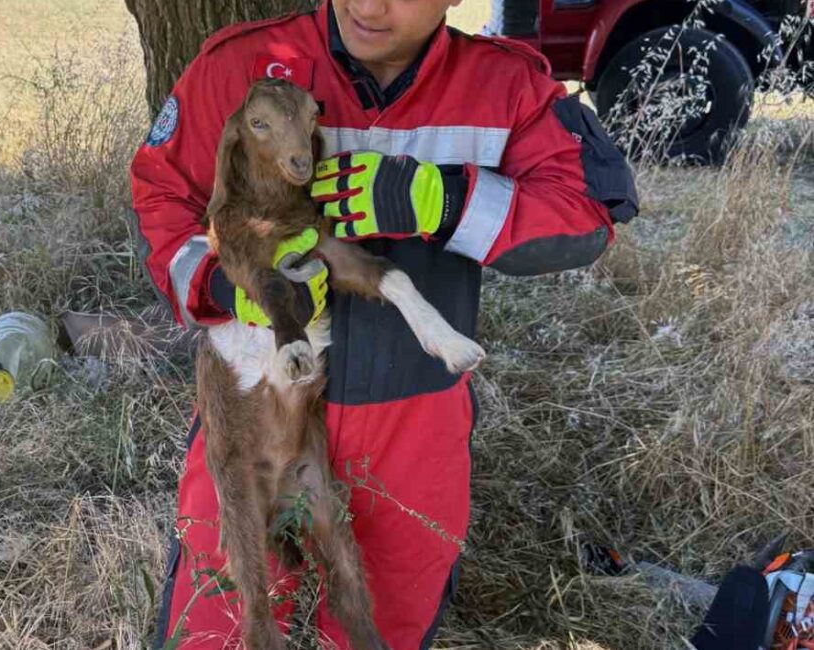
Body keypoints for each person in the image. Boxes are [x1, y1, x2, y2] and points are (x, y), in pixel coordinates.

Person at [129, 0, 639, 647]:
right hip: (254, 408)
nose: (367, 6)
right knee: (220, 626)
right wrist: (225, 285)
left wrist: (444, 199)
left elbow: (590, 208)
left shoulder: (503, 84)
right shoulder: (240, 66)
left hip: (411, 425)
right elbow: (160, 195)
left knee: (379, 628)